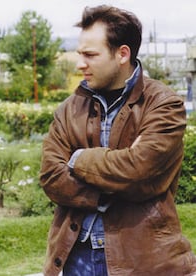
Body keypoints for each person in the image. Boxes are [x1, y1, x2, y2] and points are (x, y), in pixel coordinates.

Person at [40, 5, 196, 276]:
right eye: (80, 54)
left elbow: (139, 169)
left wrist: (78, 159)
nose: (80, 64)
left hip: (144, 259)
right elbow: (51, 177)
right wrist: (115, 180)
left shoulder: (163, 104)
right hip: (76, 259)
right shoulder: (69, 108)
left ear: (122, 54)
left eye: (90, 55)